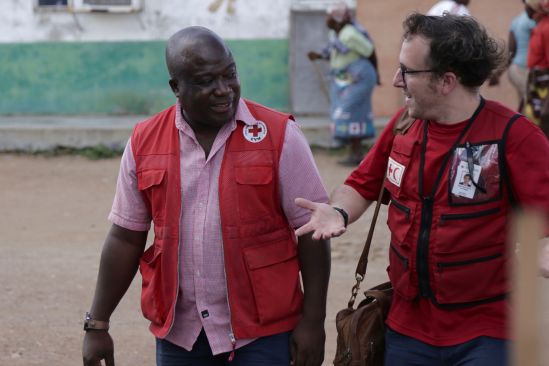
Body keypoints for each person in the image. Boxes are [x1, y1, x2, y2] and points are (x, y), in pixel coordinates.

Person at [296, 13, 549, 366]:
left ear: (446, 80)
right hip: (406, 330)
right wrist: (337, 211)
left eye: (407, 71)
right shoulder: (402, 128)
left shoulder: (514, 137)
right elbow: (361, 185)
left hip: (487, 333)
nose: (397, 81)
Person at [82, 26, 331, 366]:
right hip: (181, 337)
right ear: (176, 88)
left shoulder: (279, 135)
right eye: (205, 81)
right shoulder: (144, 142)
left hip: (264, 335)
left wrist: (313, 322)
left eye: (230, 75)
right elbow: (126, 237)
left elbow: (313, 233)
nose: (223, 90)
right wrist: (97, 324)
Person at [308, 2, 379, 166]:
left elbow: (369, 50)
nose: (327, 20)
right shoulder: (337, 34)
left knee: (347, 112)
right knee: (351, 113)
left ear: (338, 18)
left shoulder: (350, 34)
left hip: (359, 78)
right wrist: (319, 56)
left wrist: (376, 74)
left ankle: (357, 153)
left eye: (329, 16)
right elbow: (337, 55)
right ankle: (355, 153)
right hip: (346, 79)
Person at [488, 0, 537, 113]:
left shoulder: (516, 20)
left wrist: (498, 73)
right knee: (533, 105)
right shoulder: (534, 21)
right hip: (526, 70)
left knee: (525, 104)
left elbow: (511, 50)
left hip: (515, 70)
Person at [525, 0, 549, 137]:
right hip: (537, 82)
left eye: (528, 6)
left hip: (544, 84)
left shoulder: (546, 28)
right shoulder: (541, 26)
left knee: (543, 122)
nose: (525, 8)